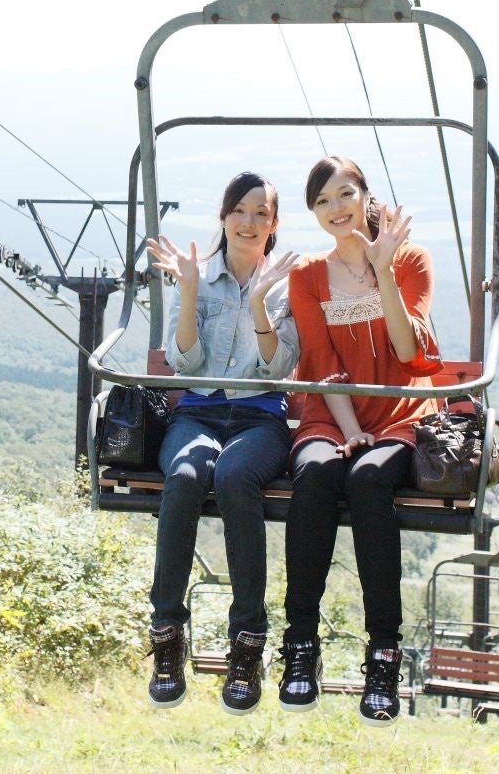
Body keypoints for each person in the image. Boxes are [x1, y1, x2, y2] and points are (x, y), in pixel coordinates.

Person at [277, 156, 441, 725]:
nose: (336, 209)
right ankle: (300, 644)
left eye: (345, 194)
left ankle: (383, 653)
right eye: (322, 201)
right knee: (320, 473)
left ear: (365, 196)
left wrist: (384, 269)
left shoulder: (411, 259)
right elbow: (320, 363)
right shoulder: (307, 277)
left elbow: (408, 354)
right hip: (333, 411)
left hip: (400, 412)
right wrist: (349, 432)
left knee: (371, 480)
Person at [142, 171, 299, 715]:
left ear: (274, 223)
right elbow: (184, 364)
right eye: (240, 210)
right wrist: (186, 293)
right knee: (185, 476)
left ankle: (247, 643)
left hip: (259, 419)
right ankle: (167, 633)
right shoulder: (198, 277)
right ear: (224, 216)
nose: (249, 222)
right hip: (201, 411)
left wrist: (259, 303)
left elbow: (279, 367)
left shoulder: (287, 285)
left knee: (234, 477)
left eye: (262, 213)